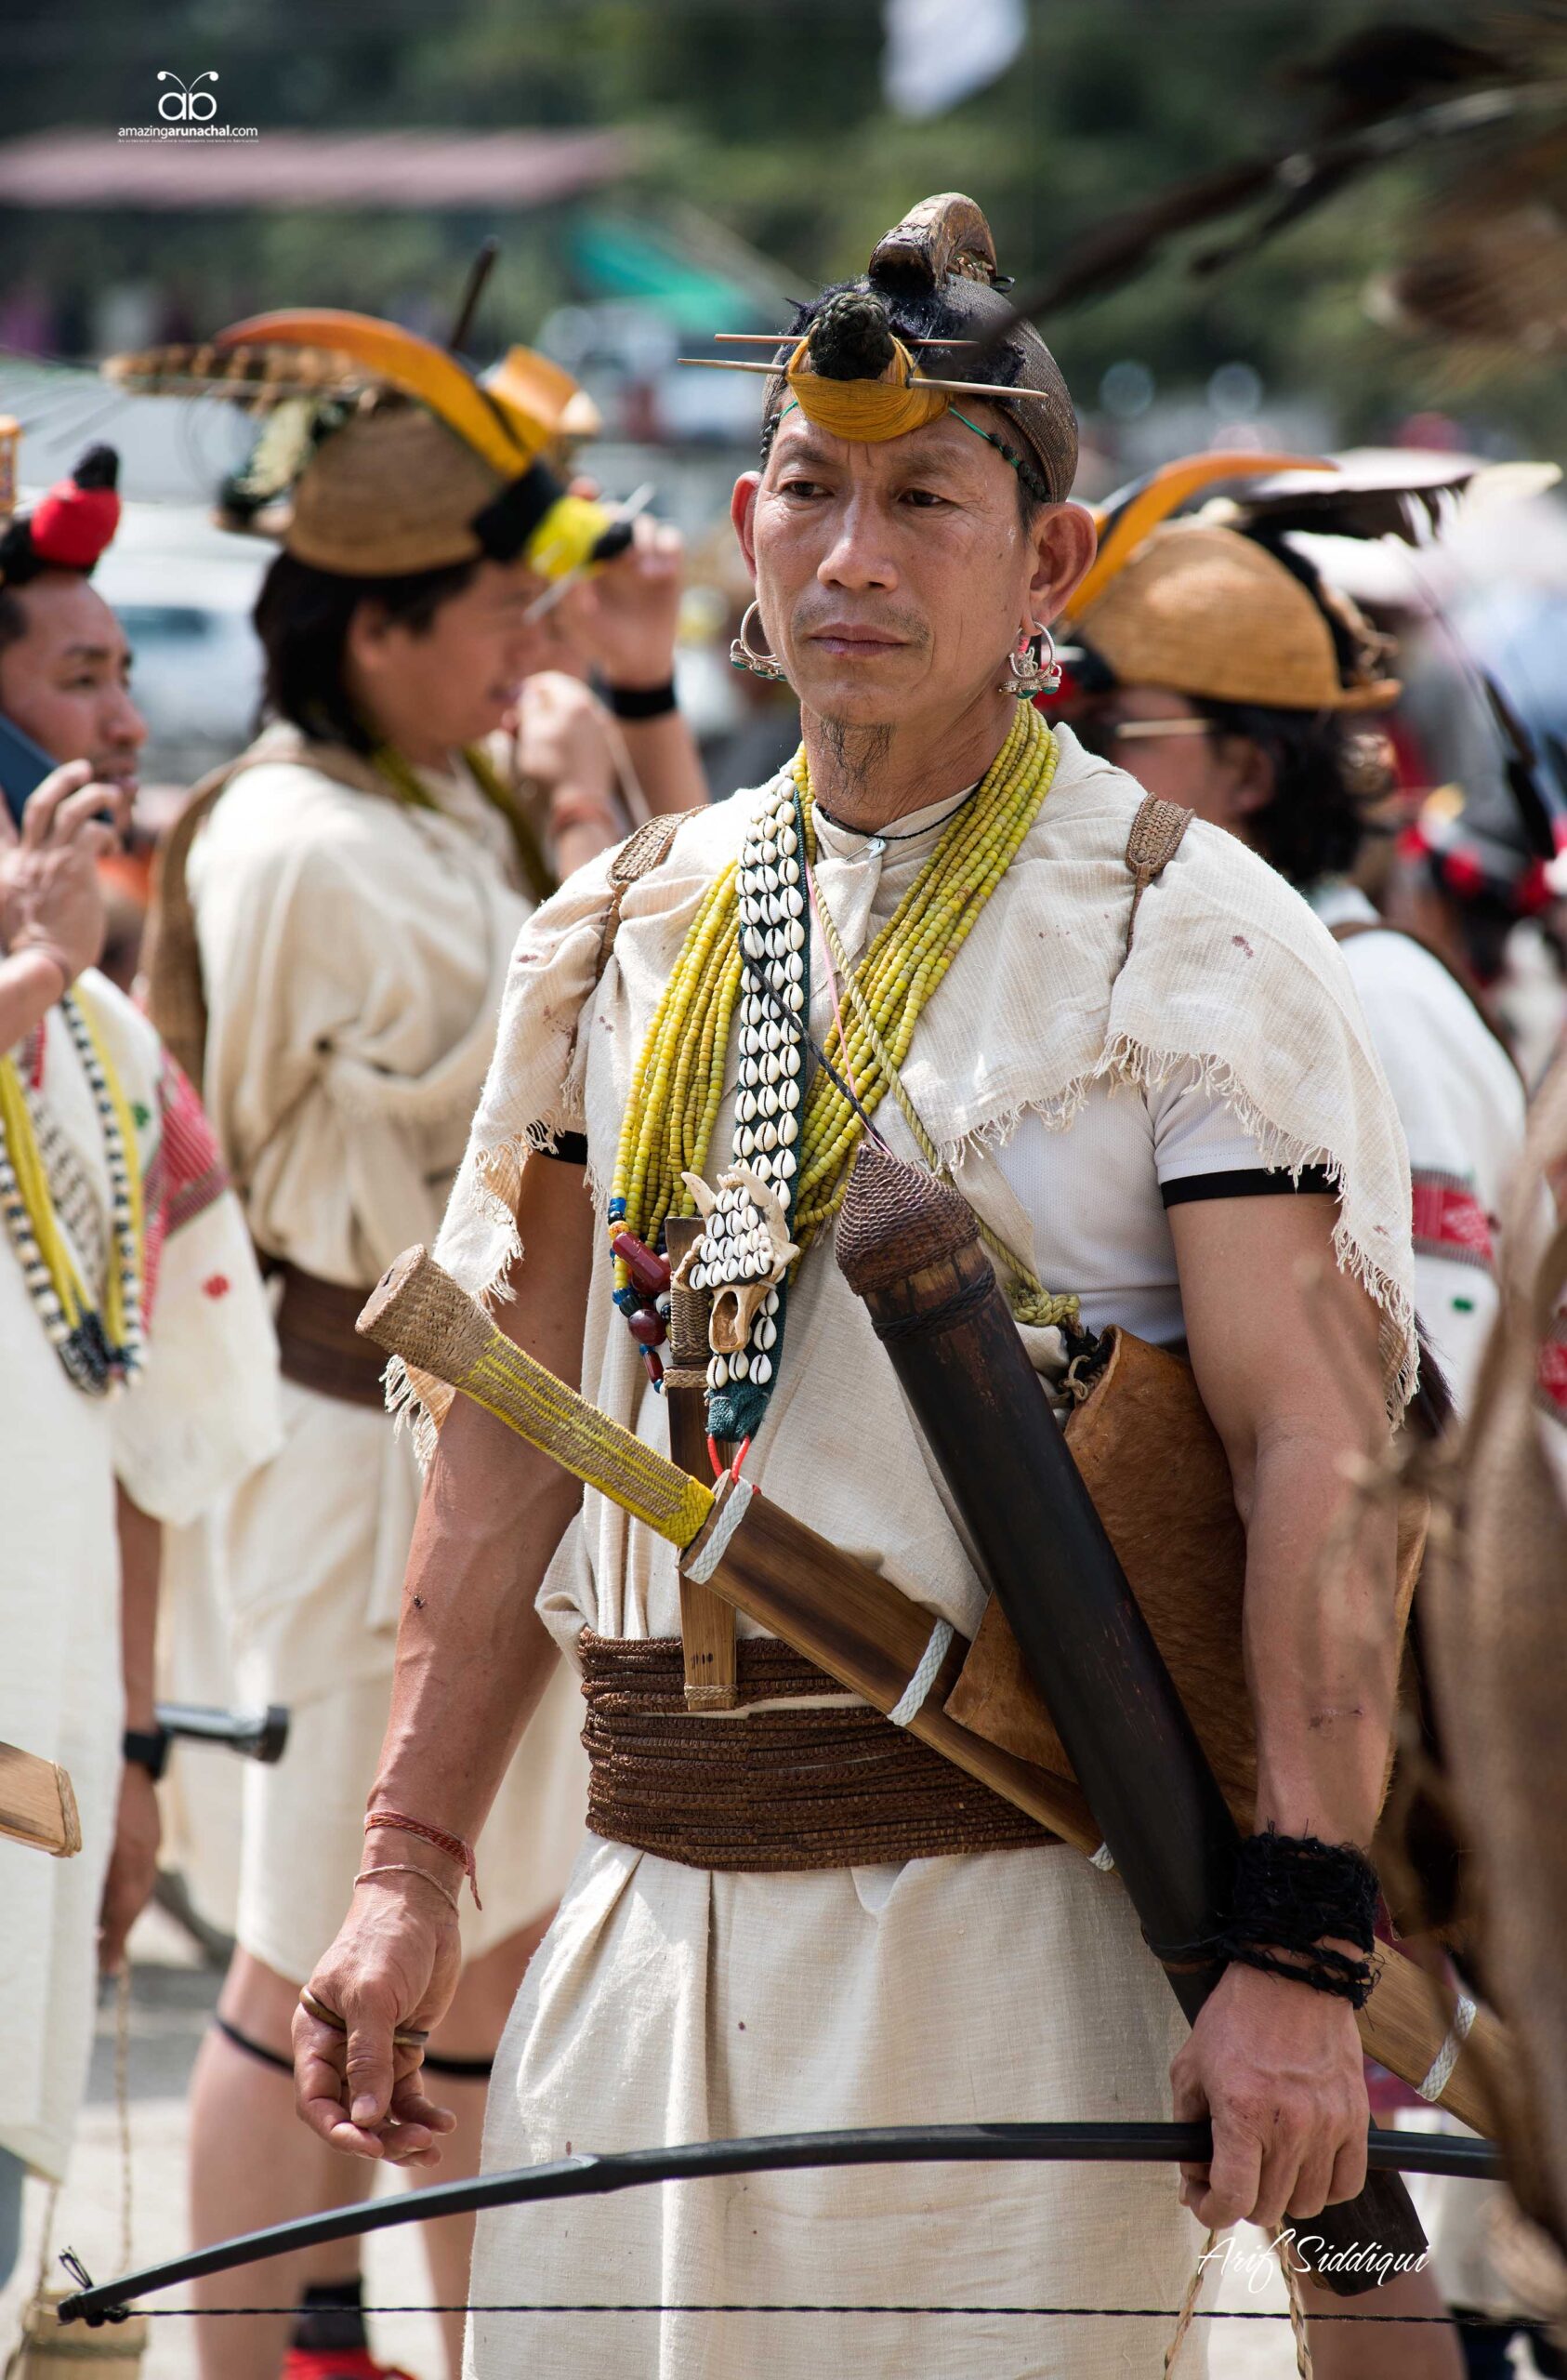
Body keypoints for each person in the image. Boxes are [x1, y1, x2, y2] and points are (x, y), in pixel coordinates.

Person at [294, 197, 1422, 2380]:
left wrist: (1295, 1942)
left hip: (1013, 1923)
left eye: (922, 497)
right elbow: (519, 1427)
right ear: (740, 521)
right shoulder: (617, 923)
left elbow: (1313, 1448)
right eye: (809, 492)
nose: (852, 554)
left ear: (1049, 566)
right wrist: (409, 1861)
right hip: (635, 1931)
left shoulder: (1177, 935)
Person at [126, 311, 708, 2380]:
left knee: (480, 1954)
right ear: (374, 624)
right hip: (343, 1442)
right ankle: (245, 2355)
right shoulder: (293, 836)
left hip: (456, 1440)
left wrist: (589, 781)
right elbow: (385, 1183)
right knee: (303, 1943)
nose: (518, 643)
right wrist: (576, 862)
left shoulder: (428, 798)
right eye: (488, 609)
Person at [0, 442, 279, 2281]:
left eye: (124, 669)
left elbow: (147, 1428)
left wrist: (137, 1744)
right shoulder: (57, 996)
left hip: (37, 1734)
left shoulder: (106, 1026)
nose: (123, 710)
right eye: (76, 675)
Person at [1060, 504, 1527, 1418]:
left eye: (1113, 733)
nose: (1072, 769)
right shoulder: (1257, 985)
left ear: (1250, 774)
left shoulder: (1372, 1004)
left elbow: (1437, 1423)